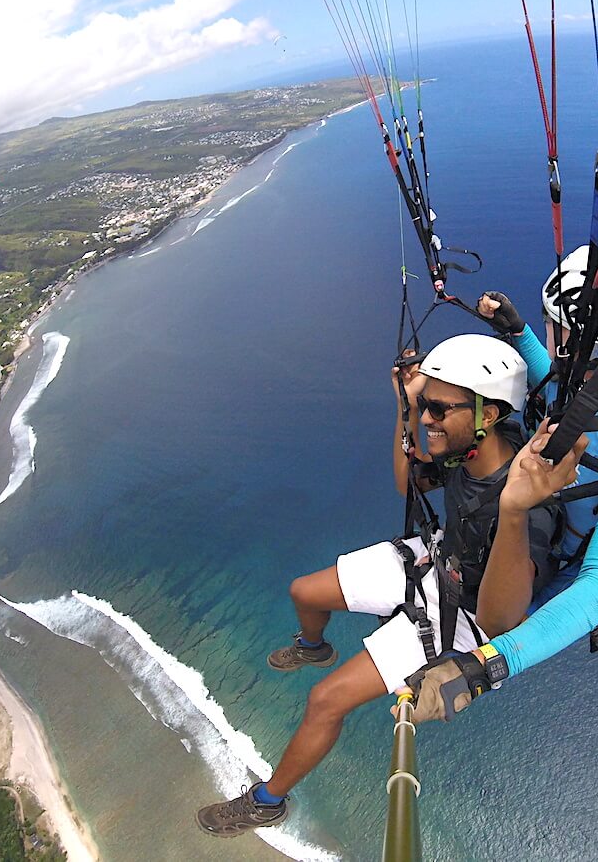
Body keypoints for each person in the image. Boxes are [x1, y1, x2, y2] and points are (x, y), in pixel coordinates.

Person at [196, 333, 559, 837]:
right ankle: (312, 646)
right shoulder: (470, 450)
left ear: (488, 415)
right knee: (304, 591)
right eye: (426, 404)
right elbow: (404, 481)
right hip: (437, 560)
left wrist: (516, 511)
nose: (428, 417)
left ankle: (266, 801)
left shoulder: (525, 500)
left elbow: (501, 621)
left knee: (325, 700)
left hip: (466, 614)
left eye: (438, 408)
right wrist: (405, 408)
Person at [400, 250, 598, 723]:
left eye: (553, 326)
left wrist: (485, 667)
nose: (549, 335)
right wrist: (516, 333)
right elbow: (552, 384)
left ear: (579, 343)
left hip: (553, 566)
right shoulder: (597, 387)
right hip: (541, 514)